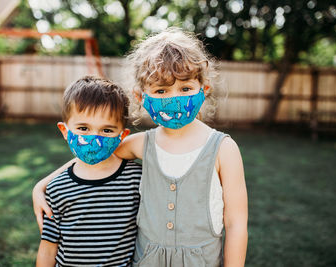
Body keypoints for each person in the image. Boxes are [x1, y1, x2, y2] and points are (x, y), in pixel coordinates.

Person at [33, 27, 248, 267]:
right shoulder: (142, 143)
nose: (172, 99)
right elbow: (95, 152)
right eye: (161, 90)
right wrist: (42, 185)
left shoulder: (223, 149)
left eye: (185, 88)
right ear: (140, 96)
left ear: (204, 89)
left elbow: (236, 224)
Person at [35, 76, 142, 267]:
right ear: (65, 131)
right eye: (83, 128)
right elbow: (48, 247)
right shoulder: (56, 188)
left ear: (122, 136)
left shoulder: (135, 178)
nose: (94, 138)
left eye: (107, 131)